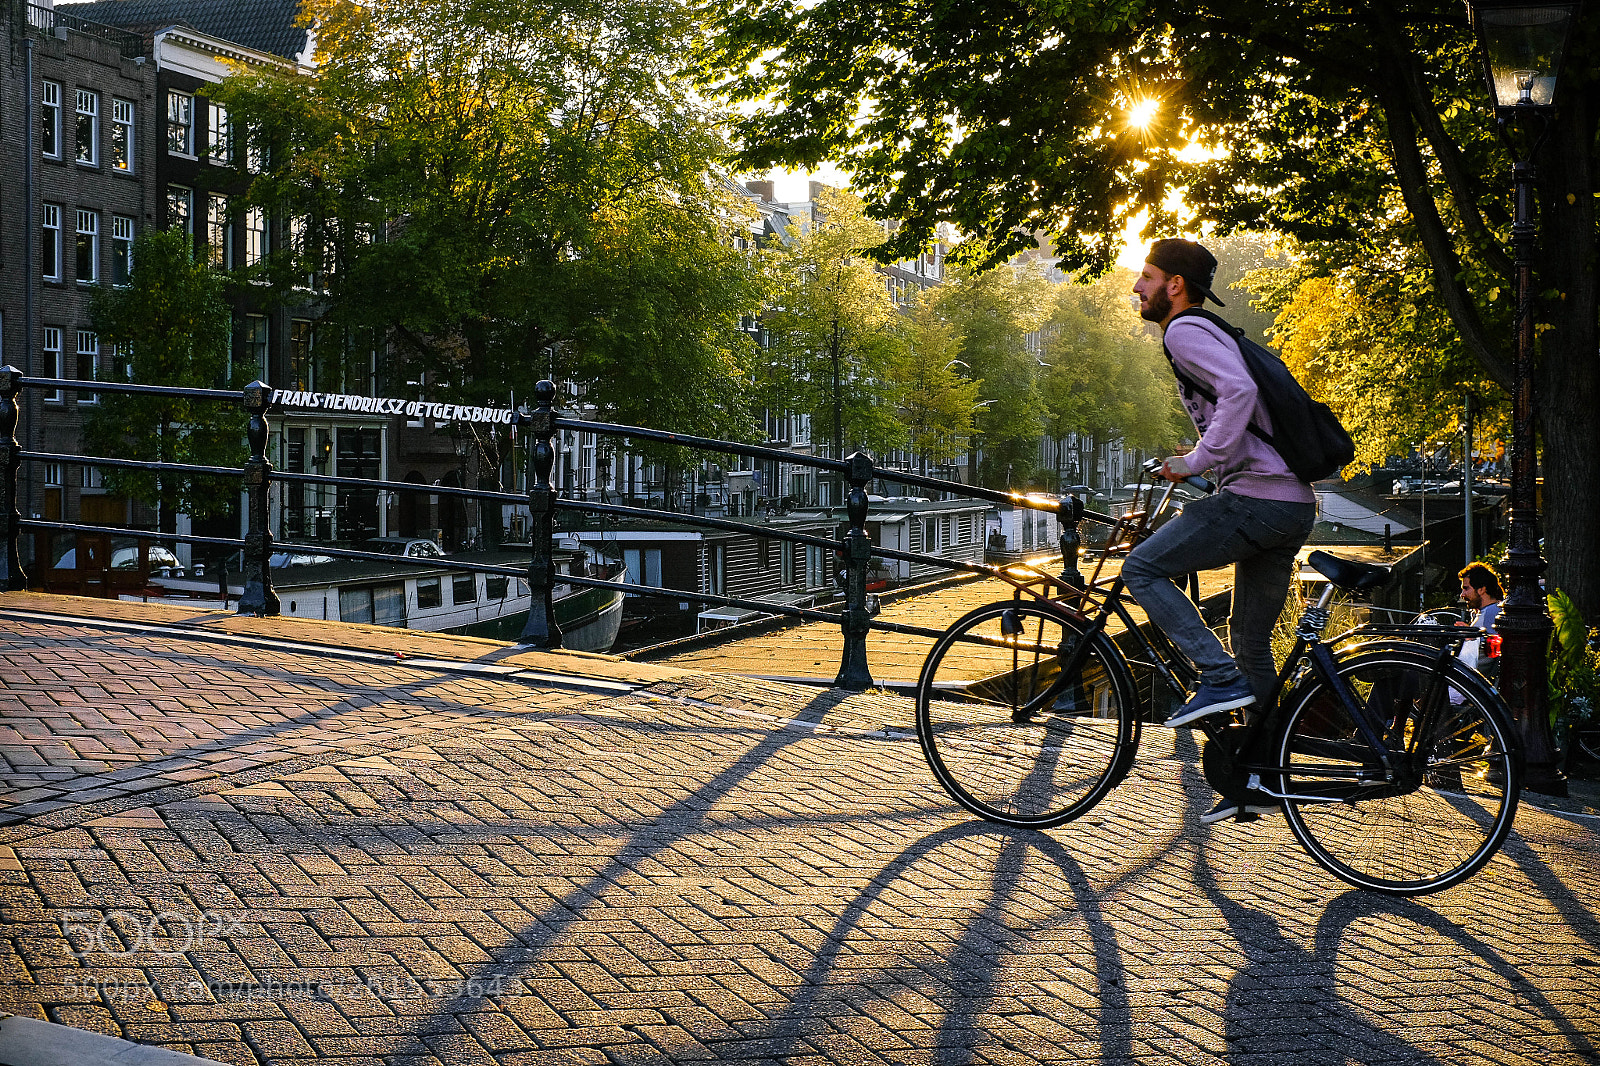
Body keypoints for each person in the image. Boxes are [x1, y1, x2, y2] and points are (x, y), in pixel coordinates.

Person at [1125, 239, 1319, 824]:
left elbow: (1240, 392)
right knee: (1252, 642)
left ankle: (1215, 678)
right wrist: (1202, 456)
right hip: (1291, 504)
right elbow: (1242, 406)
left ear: (1174, 285)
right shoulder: (1211, 330)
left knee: (1142, 568)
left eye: (1147, 276)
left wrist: (1199, 459)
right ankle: (1259, 773)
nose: (1137, 288)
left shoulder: (1182, 332)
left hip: (1257, 501)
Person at [1456, 562, 1504, 677]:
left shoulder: (1490, 613)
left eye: (1466, 589)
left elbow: (1482, 658)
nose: (1462, 594)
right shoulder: (1487, 611)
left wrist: (1470, 635)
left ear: (1482, 589)